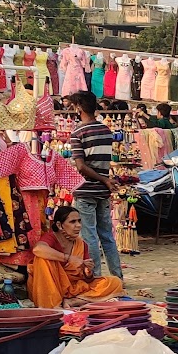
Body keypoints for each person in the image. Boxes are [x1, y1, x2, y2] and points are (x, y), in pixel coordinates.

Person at [69, 91, 124, 280]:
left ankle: (95, 277)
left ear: (79, 108)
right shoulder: (105, 131)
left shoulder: (78, 133)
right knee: (106, 235)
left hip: (86, 190)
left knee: (89, 235)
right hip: (102, 191)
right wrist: (105, 180)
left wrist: (103, 180)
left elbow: (81, 166)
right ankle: (117, 277)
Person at [28, 205, 125, 308]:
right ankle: (52, 304)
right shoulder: (51, 237)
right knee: (42, 259)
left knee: (115, 282)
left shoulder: (82, 244)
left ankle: (73, 301)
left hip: (74, 288)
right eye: (73, 222)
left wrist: (87, 273)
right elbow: (37, 249)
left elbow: (87, 279)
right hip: (50, 287)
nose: (78, 225)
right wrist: (69, 258)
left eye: (79, 221)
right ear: (59, 225)